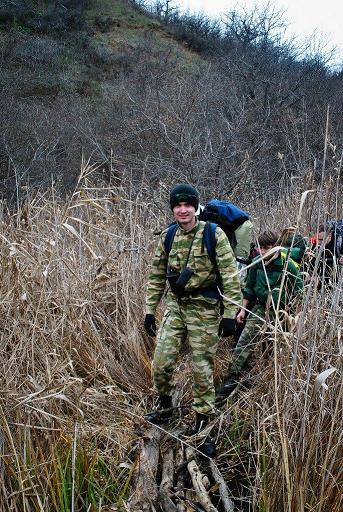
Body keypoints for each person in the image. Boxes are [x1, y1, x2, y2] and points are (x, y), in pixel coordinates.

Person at [143, 183, 242, 452]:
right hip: (176, 306)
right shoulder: (167, 237)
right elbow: (155, 277)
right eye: (178, 205)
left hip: (205, 307)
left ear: (195, 207)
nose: (183, 209)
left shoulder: (213, 234)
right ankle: (165, 408)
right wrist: (150, 310)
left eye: (187, 204)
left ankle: (202, 422)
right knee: (161, 362)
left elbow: (230, 275)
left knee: (202, 367)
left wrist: (230, 314)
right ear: (173, 208)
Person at [216, 230, 304, 401]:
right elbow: (248, 289)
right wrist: (242, 310)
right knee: (244, 341)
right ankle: (233, 377)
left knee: (272, 347)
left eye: (267, 247)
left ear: (276, 247)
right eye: (261, 248)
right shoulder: (256, 263)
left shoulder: (288, 265)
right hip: (259, 308)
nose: (263, 252)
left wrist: (297, 317)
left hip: (281, 312)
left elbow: (299, 292)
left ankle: (269, 380)